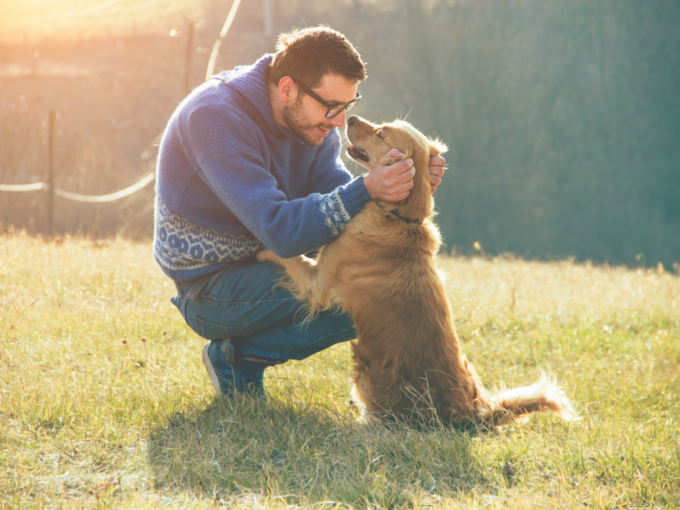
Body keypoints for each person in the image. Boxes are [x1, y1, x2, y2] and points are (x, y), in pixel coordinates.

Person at [153, 26, 446, 397]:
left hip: (266, 263)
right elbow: (281, 232)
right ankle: (236, 359)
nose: (340, 121)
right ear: (288, 88)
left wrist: (407, 187)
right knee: (364, 297)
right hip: (210, 288)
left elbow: (335, 202)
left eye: (347, 106)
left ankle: (238, 358)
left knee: (381, 291)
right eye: (332, 107)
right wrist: (368, 188)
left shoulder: (313, 125)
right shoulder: (215, 119)